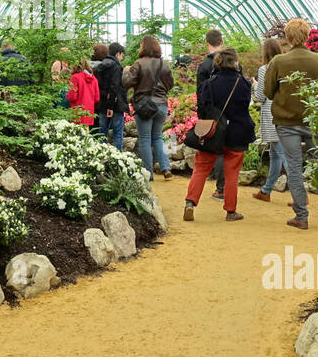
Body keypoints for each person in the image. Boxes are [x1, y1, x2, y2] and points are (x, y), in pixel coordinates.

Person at [263, 18, 318, 229]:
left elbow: (268, 92)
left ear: (287, 37)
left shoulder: (279, 62)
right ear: (307, 35)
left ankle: (302, 217)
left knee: (294, 167)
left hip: (287, 123)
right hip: (314, 121)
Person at [182, 47, 255, 222]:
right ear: (235, 62)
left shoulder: (209, 83)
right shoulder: (243, 83)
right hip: (237, 132)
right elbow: (245, 107)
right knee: (232, 173)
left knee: (201, 168)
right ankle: (231, 211)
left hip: (213, 132)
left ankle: (190, 203)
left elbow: (203, 109)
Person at [122, 35, 175, 180]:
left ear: (143, 47)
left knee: (145, 138)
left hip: (144, 104)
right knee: (157, 137)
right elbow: (171, 84)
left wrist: (126, 71)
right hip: (161, 105)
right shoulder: (164, 64)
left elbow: (126, 83)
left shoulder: (138, 63)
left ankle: (148, 173)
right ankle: (165, 168)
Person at [194, 29, 228, 202]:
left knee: (212, 151)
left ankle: (195, 197)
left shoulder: (204, 66)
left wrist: (201, 115)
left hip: (210, 113)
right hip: (228, 112)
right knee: (226, 151)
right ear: (221, 42)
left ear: (207, 43)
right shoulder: (232, 64)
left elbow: (200, 93)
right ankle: (224, 189)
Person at [252, 38, 287, 203]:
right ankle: (266, 191)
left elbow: (261, 96)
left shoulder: (264, 69)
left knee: (283, 154)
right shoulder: (286, 66)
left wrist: (255, 85)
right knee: (275, 154)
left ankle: (298, 195)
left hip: (272, 115)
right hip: (285, 112)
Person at [94, 41, 128, 149]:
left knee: (102, 132)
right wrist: (111, 107)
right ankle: (118, 159)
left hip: (102, 103)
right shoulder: (116, 67)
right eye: (122, 55)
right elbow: (115, 88)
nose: (122, 58)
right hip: (115, 105)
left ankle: (102, 157)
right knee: (117, 133)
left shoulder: (99, 66)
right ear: (118, 54)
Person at [66, 57, 100, 129]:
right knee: (85, 135)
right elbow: (97, 98)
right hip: (88, 113)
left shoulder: (74, 77)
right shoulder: (94, 79)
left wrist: (67, 95)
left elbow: (72, 96)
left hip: (77, 112)